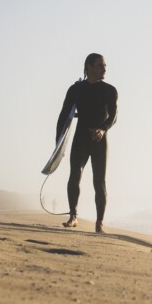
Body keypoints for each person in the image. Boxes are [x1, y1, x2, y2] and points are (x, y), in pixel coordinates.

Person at [57, 53, 117, 232]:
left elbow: (114, 116)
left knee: (99, 182)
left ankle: (99, 223)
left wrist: (103, 129)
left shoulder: (109, 90)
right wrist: (58, 143)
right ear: (89, 67)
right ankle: (73, 216)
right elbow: (63, 115)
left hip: (99, 140)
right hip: (80, 138)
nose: (104, 69)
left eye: (105, 66)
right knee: (75, 174)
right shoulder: (75, 90)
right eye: (100, 66)